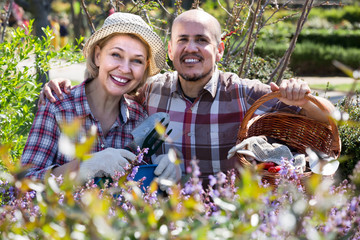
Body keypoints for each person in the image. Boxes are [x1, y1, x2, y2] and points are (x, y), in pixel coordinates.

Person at [39, 9, 335, 185]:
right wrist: (66, 85)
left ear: (219, 50)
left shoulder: (245, 94)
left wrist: (304, 100)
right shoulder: (153, 91)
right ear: (170, 50)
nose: (190, 48)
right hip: (170, 218)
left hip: (229, 217)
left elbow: (329, 120)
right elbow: (113, 80)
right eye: (182, 40)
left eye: (202, 40)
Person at [21, 12, 179, 185]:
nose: (125, 69)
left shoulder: (137, 118)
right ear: (98, 55)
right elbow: (23, 185)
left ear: (145, 68)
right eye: (116, 55)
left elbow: (138, 187)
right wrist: (84, 167)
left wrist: (163, 170)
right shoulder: (58, 107)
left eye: (137, 61)